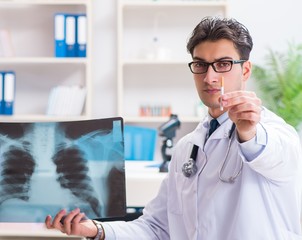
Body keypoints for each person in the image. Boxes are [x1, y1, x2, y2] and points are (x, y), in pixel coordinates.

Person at [45, 17, 302, 240]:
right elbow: (156, 228)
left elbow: (276, 158)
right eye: (200, 64)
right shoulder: (187, 147)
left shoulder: (274, 133)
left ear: (245, 70)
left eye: (223, 64)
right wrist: (96, 230)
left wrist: (249, 133)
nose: (209, 77)